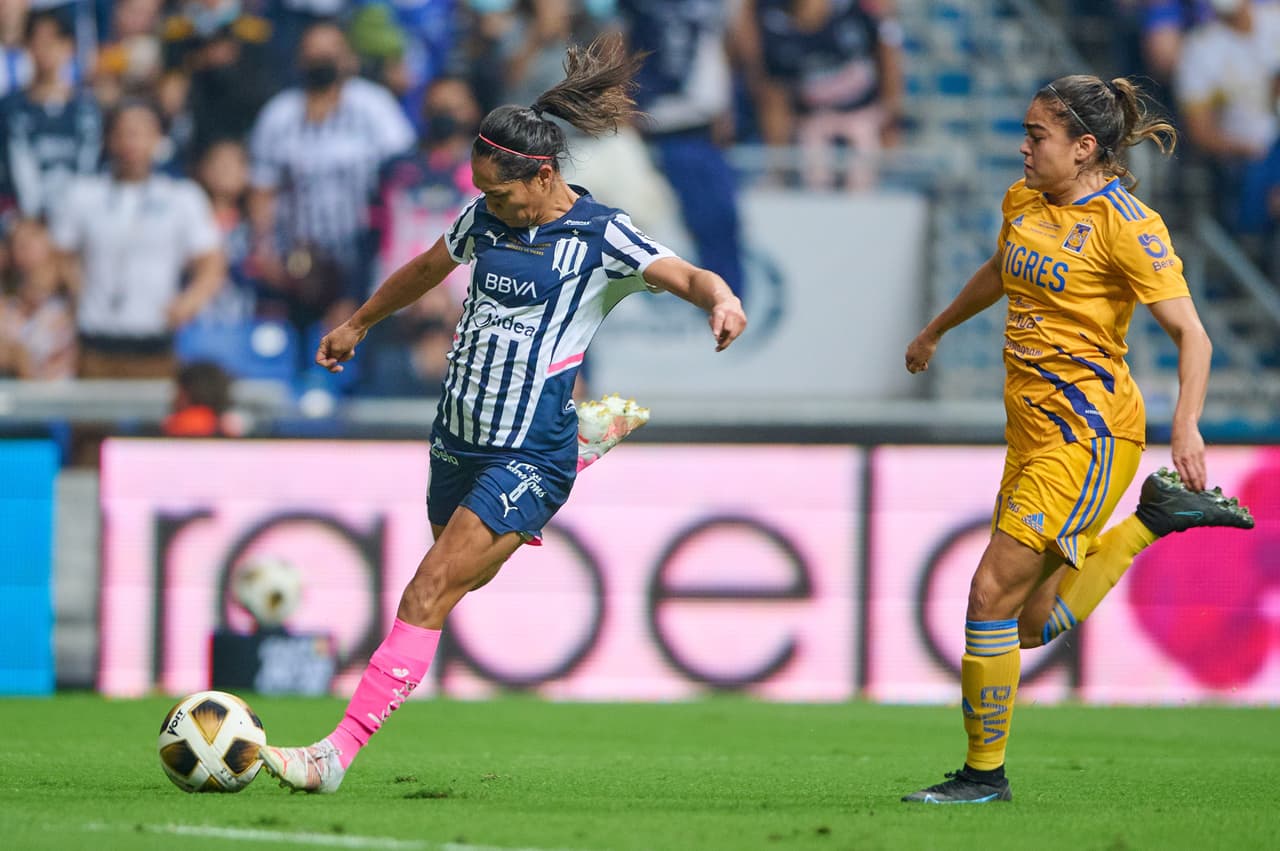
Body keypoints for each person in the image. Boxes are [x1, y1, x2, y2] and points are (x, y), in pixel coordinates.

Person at [258, 32, 747, 793]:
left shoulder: (599, 235)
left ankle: (333, 754)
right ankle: (583, 439)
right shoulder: (485, 221)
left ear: (542, 174)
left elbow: (683, 270)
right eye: (482, 191)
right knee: (454, 588)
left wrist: (720, 299)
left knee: (425, 591)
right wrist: (358, 323)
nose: (491, 204)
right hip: (456, 439)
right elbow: (427, 266)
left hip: (527, 454)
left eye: (501, 191)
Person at [900, 74, 1255, 805]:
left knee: (988, 593)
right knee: (1028, 623)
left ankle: (983, 776)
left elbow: (1193, 333)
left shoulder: (1128, 224)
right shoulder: (1023, 201)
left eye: (1038, 136)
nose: (1024, 148)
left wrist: (1185, 422)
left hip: (1088, 436)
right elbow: (1003, 269)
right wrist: (937, 327)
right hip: (1029, 434)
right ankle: (1148, 523)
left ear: (1084, 146)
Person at [51, 98, 225, 379]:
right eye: (123, 133)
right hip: (95, 344)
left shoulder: (181, 197)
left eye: (141, 133)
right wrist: (76, 291)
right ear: (109, 139)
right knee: (91, 421)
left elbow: (211, 262)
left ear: (158, 139)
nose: (131, 143)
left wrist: (189, 301)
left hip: (154, 345)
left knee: (155, 422)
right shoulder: (83, 195)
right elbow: (59, 254)